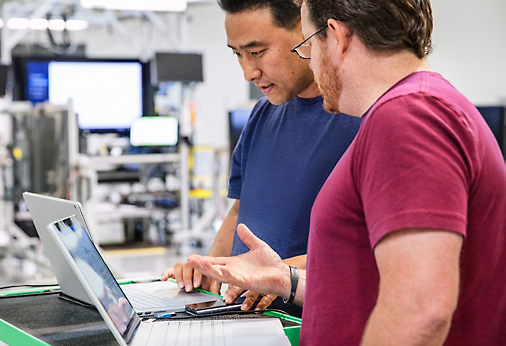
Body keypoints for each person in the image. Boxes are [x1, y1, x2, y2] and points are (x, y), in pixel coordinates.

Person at [189, 0, 506, 344]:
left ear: (336, 37)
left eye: (307, 45)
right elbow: (368, 282)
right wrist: (283, 277)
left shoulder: (410, 117)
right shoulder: (407, 110)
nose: (309, 58)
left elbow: (418, 312)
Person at [161, 0, 361, 315]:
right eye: (237, 54)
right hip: (243, 319)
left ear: (305, 30)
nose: (248, 72)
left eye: (257, 52)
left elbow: (368, 250)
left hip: (306, 320)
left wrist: (277, 274)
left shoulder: (359, 117)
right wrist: (210, 269)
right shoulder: (261, 115)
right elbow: (240, 210)